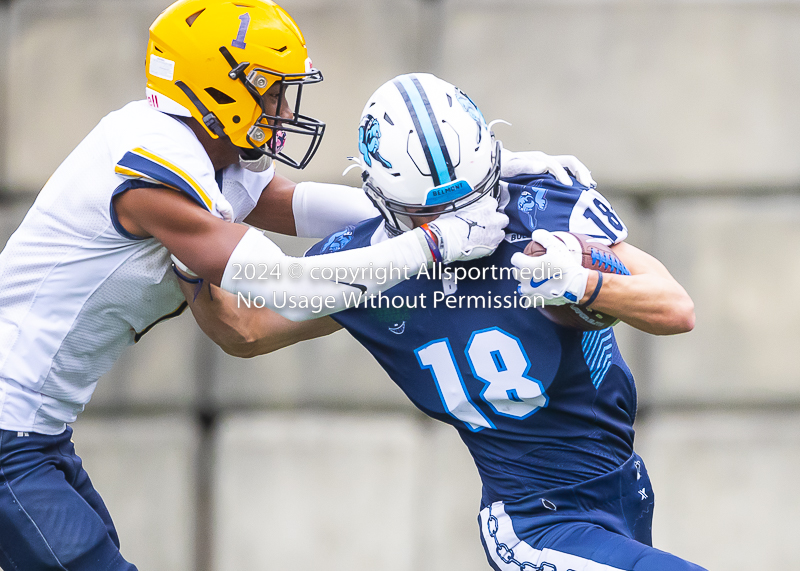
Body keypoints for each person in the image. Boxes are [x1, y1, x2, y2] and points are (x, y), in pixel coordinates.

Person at [0, 1, 593, 568]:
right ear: (218, 87)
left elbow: (302, 206)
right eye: (273, 89)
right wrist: (433, 244)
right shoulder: (152, 172)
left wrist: (480, 181)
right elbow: (286, 285)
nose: (284, 107)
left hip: (39, 432)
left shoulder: (204, 150)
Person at [184, 73, 703, 570]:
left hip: (624, 486)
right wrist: (184, 247)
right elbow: (244, 330)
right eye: (430, 216)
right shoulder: (366, 264)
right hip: (535, 520)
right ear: (383, 201)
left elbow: (674, 308)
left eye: (468, 200)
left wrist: (582, 283)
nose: (459, 222)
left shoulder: (541, 209)